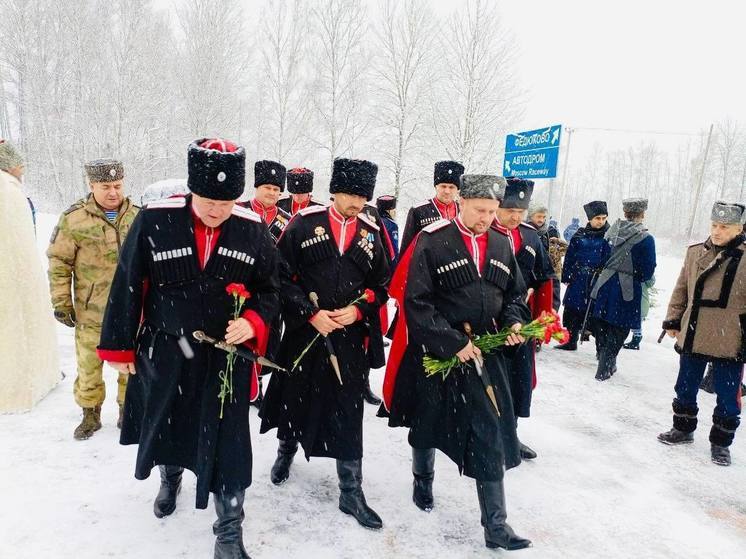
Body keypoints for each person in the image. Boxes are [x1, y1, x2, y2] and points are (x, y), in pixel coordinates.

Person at [98, 138, 280, 558]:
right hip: (167, 348)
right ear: (191, 189)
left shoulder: (253, 230)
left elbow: (270, 290)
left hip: (224, 358)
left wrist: (252, 320)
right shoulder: (154, 220)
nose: (217, 210)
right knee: (169, 423)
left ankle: (229, 530)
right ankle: (171, 476)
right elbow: (128, 284)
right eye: (208, 200)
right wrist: (121, 348)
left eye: (227, 201)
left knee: (231, 443)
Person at [382, 174, 531, 551]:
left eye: (492, 211)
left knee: (490, 435)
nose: (487, 218)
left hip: (485, 355)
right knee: (426, 422)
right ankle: (422, 479)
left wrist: (514, 321)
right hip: (440, 354)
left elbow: (515, 295)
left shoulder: (501, 243)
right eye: (480, 210)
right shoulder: (433, 240)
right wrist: (451, 342)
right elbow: (416, 302)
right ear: (462, 201)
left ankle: (495, 525)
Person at [260, 158, 390, 530]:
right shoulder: (304, 224)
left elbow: (382, 285)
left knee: (348, 411)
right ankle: (286, 452)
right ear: (335, 190)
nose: (356, 202)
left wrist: (359, 311)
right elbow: (279, 276)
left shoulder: (370, 231)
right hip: (306, 331)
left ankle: (351, 490)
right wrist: (307, 312)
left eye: (362, 196)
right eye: (350, 194)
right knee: (292, 396)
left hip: (348, 338)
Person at [47, 158, 139, 439]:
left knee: (130, 365)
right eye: (105, 186)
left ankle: (128, 411)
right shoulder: (73, 219)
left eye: (117, 185)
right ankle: (90, 414)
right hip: (91, 311)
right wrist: (61, 303)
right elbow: (59, 262)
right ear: (92, 185)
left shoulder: (138, 216)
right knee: (88, 365)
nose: (113, 192)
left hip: (130, 309)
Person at [658, 201, 746, 467]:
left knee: (728, 396)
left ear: (739, 228)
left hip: (731, 336)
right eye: (714, 225)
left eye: (724, 227)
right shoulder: (696, 252)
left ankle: (721, 442)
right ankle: (683, 428)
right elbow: (681, 288)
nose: (717, 231)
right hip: (694, 331)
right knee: (685, 385)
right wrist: (673, 319)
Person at [492, 178, 555, 460]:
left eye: (520, 212)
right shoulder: (484, 234)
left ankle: (510, 436)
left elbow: (545, 278)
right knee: (489, 381)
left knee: (517, 382)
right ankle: (482, 434)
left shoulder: (531, 237)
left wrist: (545, 318)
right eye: (509, 210)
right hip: (488, 322)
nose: (515, 217)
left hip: (521, 322)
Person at [0, 143, 60, 412]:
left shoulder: (11, 191)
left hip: (17, 277)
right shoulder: (7, 192)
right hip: (12, 281)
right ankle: (18, 388)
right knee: (16, 335)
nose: (22, 168)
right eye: (18, 164)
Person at [589, 198, 656, 381]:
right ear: (642, 214)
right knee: (620, 327)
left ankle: (604, 356)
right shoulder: (646, 238)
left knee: (602, 322)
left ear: (625, 213)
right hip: (628, 288)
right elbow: (648, 270)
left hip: (605, 283)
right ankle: (607, 361)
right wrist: (635, 276)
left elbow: (601, 258)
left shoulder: (611, 231)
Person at [555, 201, 609, 350]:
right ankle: (571, 340)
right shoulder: (580, 235)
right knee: (573, 308)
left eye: (604, 218)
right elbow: (570, 256)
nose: (601, 222)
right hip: (578, 278)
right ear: (590, 218)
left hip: (597, 279)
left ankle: (601, 349)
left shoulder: (608, 236)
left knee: (597, 313)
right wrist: (567, 276)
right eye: (598, 218)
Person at [399, 160, 464, 254]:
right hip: (425, 264)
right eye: (443, 186)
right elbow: (407, 247)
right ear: (436, 186)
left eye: (451, 187)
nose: (447, 191)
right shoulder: (418, 211)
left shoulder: (463, 211)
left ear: (458, 189)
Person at [527, 202, 563, 310]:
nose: (541, 220)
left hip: (542, 272)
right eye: (538, 216)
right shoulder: (525, 231)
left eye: (544, 217)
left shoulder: (545, 233)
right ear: (530, 215)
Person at [250, 159, 292, 243]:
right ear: (257, 187)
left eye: (276, 189)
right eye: (267, 188)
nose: (272, 193)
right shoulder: (240, 209)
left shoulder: (288, 221)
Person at [622, 276, 655, 350]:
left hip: (639, 303)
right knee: (635, 322)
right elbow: (651, 282)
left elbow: (650, 282)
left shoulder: (639, 275)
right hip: (640, 303)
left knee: (636, 323)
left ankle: (636, 340)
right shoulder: (643, 275)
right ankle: (635, 340)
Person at [376, 194, 399, 267]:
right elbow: (394, 248)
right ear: (389, 210)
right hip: (387, 264)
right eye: (394, 209)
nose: (395, 212)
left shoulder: (373, 220)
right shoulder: (392, 225)